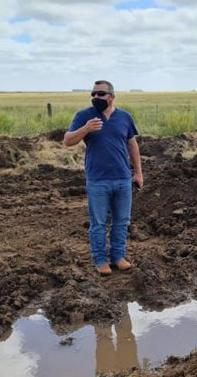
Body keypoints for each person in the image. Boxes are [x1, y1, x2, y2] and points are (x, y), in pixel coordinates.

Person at [63, 80, 144, 276]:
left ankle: (118, 257)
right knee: (98, 223)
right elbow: (67, 141)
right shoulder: (84, 116)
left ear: (111, 97)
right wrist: (86, 129)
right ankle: (100, 260)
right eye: (93, 94)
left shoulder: (125, 117)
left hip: (123, 179)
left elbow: (132, 146)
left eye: (100, 94)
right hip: (98, 180)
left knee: (121, 221)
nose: (96, 97)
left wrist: (138, 172)